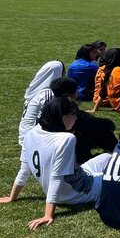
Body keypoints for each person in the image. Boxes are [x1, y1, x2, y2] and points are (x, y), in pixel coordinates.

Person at [0, 97, 111, 229]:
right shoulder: (66, 139)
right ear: (62, 116)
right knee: (118, 179)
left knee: (107, 157)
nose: (76, 119)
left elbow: (24, 170)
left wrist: (12, 197)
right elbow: (56, 178)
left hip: (71, 183)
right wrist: (48, 214)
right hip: (79, 191)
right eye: (73, 114)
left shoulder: (31, 133)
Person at [92, 38, 120, 112]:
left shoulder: (103, 69)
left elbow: (102, 92)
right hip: (110, 100)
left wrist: (94, 109)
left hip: (99, 99)